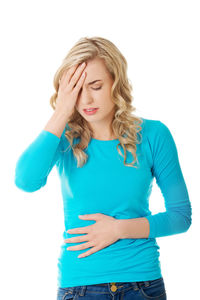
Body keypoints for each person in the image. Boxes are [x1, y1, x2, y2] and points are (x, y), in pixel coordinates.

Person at [14, 36, 192, 300]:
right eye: (76, 89)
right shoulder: (63, 138)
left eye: (95, 86)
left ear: (115, 84)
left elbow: (180, 216)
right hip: (80, 288)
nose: (85, 98)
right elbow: (25, 181)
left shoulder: (154, 135)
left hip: (141, 284)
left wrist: (118, 229)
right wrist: (61, 111)